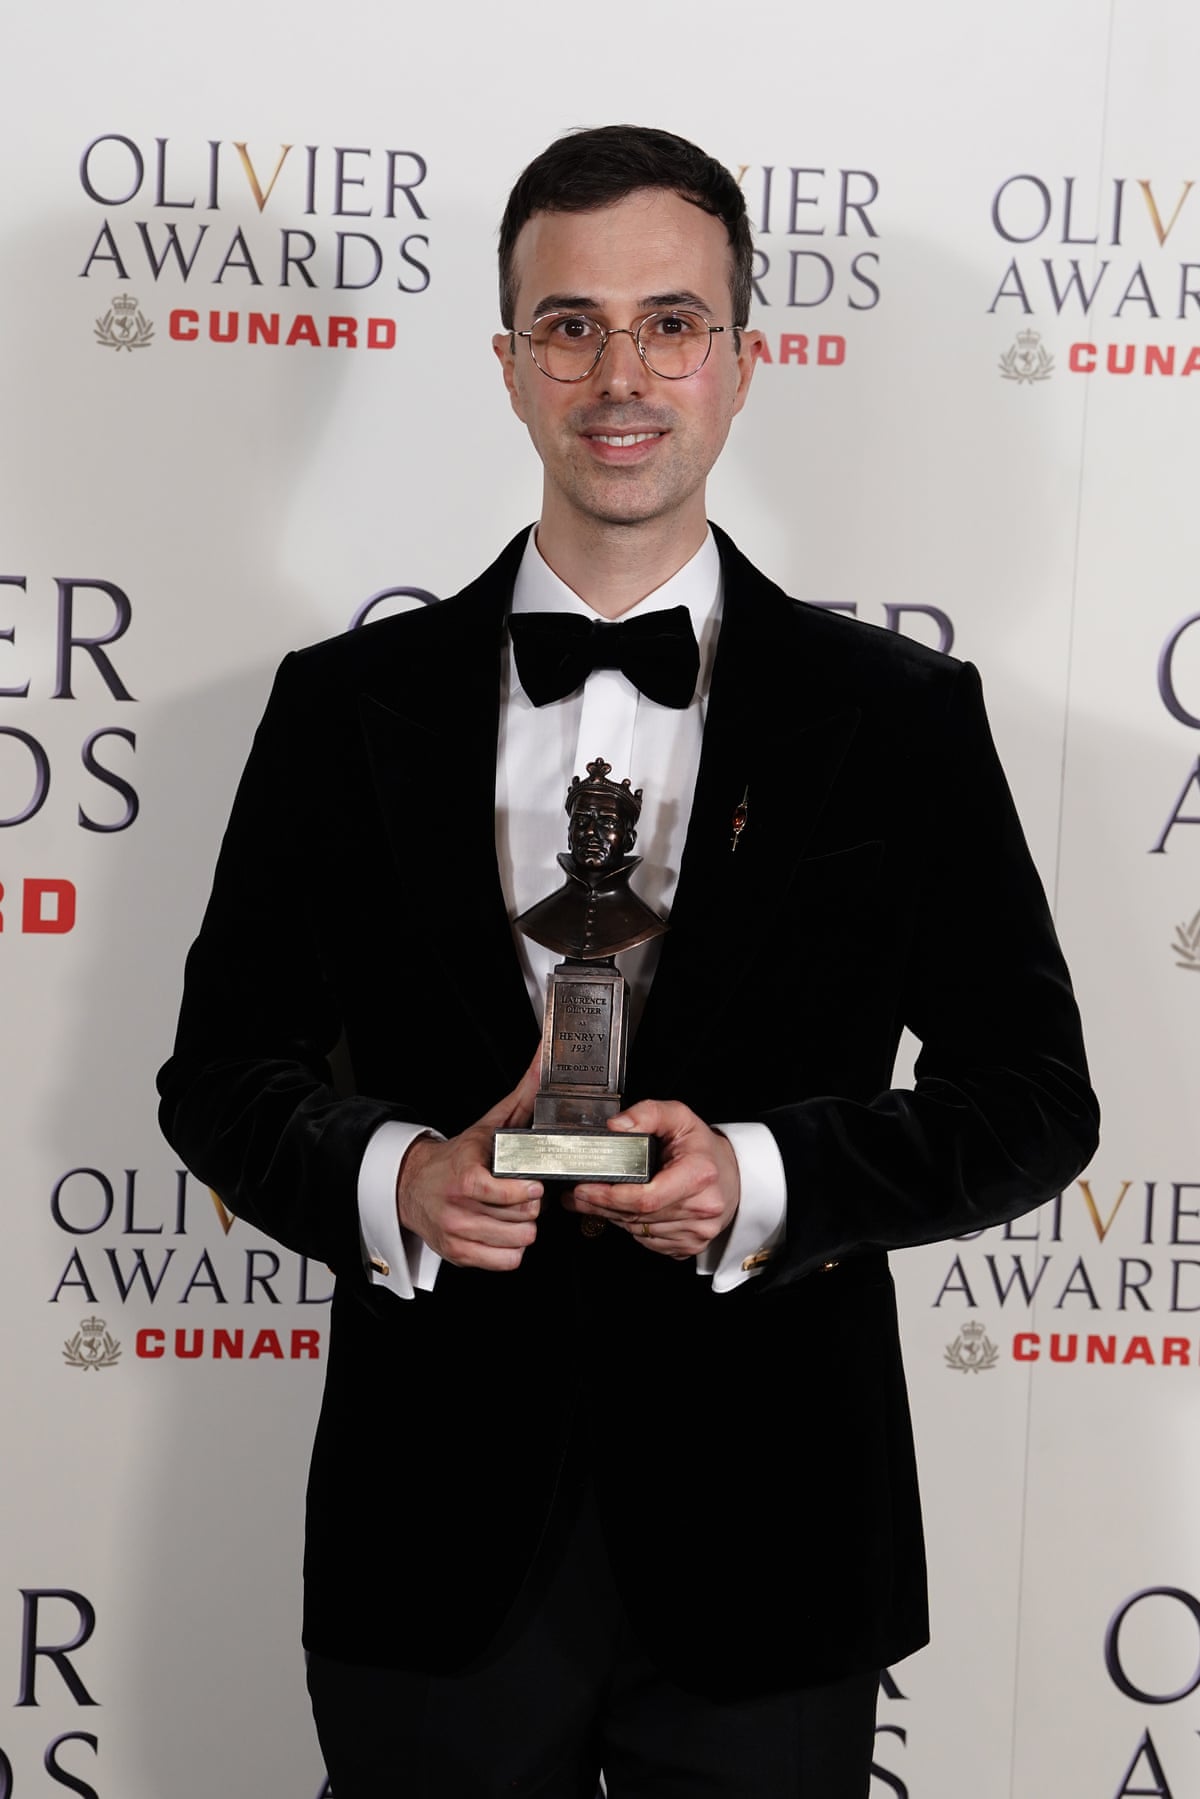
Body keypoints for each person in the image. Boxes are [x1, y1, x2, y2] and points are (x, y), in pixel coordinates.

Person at [158, 124, 1099, 1797]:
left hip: (776, 1546)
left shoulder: (899, 724)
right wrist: (397, 1179)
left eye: (672, 322)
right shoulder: (338, 710)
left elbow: (1031, 1102)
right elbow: (220, 1075)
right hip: (429, 1544)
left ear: (743, 362)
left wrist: (764, 1178)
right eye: (571, 325)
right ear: (509, 364)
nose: (622, 373)